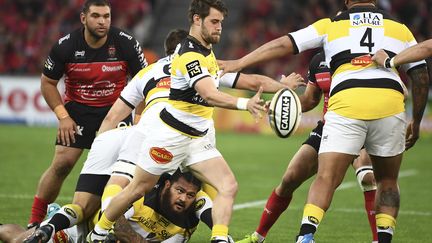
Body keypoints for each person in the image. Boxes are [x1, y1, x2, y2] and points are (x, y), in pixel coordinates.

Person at [26, 27, 304, 243]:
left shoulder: (149, 72)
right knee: (203, 190)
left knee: (100, 199)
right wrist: (283, 86)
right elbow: (252, 81)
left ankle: (69, 227)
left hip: (141, 135)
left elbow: (114, 115)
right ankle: (210, 234)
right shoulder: (205, 67)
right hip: (175, 136)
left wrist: (104, 148)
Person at [219, 1, 429, 242]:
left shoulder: (331, 27)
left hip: (344, 112)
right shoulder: (399, 29)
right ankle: (260, 236)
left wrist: (239, 62)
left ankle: (306, 236)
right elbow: (420, 74)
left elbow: (283, 43)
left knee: (338, 178)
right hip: (375, 111)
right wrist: (416, 119)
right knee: (297, 177)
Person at [86, 0, 274, 242]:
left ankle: (219, 239)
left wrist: (282, 86)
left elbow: (240, 81)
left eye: (221, 23)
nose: (219, 28)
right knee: (137, 189)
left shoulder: (207, 51)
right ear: (197, 20)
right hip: (171, 136)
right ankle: (98, 233)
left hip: (196, 141)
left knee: (228, 185)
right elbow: (208, 93)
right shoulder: (188, 54)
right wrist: (244, 104)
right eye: (214, 22)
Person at [28, 0, 147, 228]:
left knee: (120, 170)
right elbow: (48, 83)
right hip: (78, 113)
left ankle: (115, 222)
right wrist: (63, 116)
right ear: (84, 18)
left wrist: (139, 117)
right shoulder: (66, 46)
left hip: (116, 112)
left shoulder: (126, 43)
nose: (102, 21)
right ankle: (34, 221)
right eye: (96, 16)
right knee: (62, 164)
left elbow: (144, 82)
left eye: (106, 16)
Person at [237, 51, 378, 243]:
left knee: (367, 177)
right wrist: (281, 104)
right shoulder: (319, 61)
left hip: (362, 126)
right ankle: (258, 237)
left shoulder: (364, 56)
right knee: (290, 177)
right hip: (330, 126)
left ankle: (379, 239)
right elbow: (311, 99)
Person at [5, 171, 213, 243]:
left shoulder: (188, 219)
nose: (183, 198)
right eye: (179, 191)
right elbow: (117, 224)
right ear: (167, 185)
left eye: (190, 195)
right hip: (85, 230)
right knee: (19, 239)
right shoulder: (145, 193)